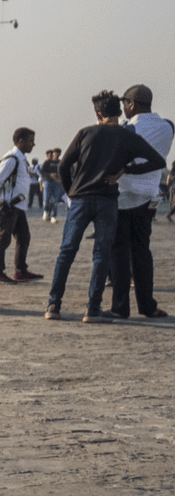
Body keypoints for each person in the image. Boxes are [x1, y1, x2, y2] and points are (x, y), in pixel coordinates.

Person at [43, 90, 166, 323]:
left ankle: (54, 305)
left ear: (98, 114)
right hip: (107, 202)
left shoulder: (85, 133)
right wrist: (126, 170)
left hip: (80, 200)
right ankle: (93, 309)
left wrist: (71, 192)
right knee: (101, 256)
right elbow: (158, 161)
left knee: (66, 252)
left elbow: (63, 166)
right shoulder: (128, 137)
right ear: (120, 112)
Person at [110, 85, 173, 320]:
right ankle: (148, 305)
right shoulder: (167, 126)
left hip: (123, 196)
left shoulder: (127, 128)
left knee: (119, 253)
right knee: (142, 252)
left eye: (125, 104)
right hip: (149, 196)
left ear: (132, 104)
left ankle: (120, 307)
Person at [0, 128, 40, 285]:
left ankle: (21, 271)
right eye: (30, 141)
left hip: (19, 206)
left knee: (24, 237)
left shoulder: (21, 158)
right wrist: (2, 200)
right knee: (4, 238)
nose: (33, 144)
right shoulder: (12, 159)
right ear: (20, 141)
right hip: (9, 206)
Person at [39, 147, 64, 222]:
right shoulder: (47, 162)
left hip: (58, 183)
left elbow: (64, 171)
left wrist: (59, 177)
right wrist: (50, 175)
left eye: (58, 153)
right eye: (55, 152)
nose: (56, 154)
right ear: (53, 154)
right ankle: (46, 212)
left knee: (55, 200)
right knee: (47, 198)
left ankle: (53, 216)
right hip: (48, 182)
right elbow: (42, 172)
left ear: (60, 154)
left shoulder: (61, 162)